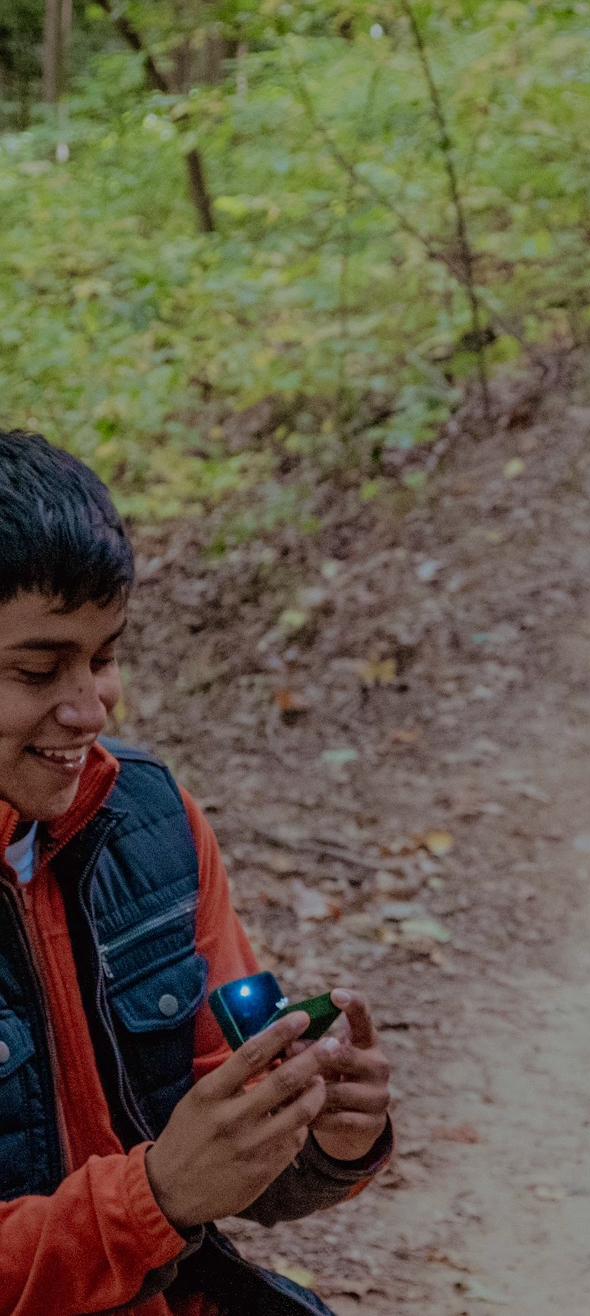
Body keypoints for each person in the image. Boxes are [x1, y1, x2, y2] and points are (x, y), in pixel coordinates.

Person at [0, 430, 395, 1315]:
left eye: (103, 659)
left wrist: (321, 1134)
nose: (89, 707)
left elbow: (224, 1126)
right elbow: (174, 1183)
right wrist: (154, 1198)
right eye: (37, 669)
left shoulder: (152, 822)